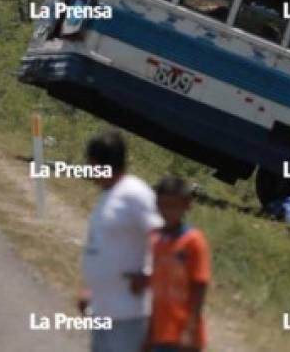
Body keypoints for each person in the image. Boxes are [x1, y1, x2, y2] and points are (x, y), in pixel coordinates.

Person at [79, 130, 162, 352]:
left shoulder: (135, 194)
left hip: (127, 313)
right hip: (103, 308)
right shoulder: (109, 195)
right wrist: (92, 290)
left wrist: (149, 274)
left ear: (98, 163)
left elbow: (163, 239)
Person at [145, 175, 210, 352]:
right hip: (158, 329)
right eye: (163, 206)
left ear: (187, 204)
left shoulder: (194, 241)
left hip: (182, 334)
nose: (168, 211)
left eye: (173, 206)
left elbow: (199, 285)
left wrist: (191, 328)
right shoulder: (155, 239)